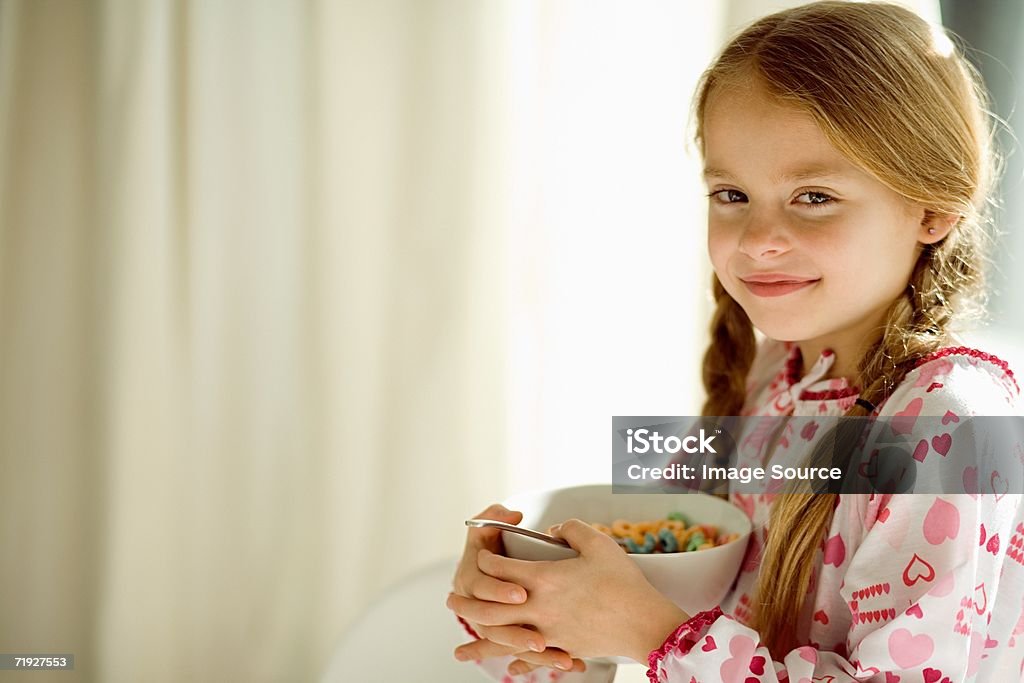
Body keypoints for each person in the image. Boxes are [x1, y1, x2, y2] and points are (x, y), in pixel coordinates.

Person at [446, 2, 1024, 680]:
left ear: (931, 209)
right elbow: (638, 614)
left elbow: (659, 634)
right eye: (731, 193)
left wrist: (649, 631)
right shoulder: (768, 378)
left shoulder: (950, 420)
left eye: (813, 196)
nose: (757, 239)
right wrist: (529, 602)